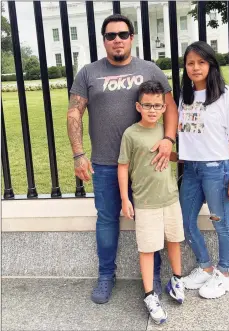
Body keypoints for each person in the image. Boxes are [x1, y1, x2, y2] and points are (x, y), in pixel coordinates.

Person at [66, 14, 178, 304]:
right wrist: (79, 154)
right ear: (104, 40)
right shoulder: (88, 73)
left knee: (151, 218)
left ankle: (153, 277)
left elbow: (171, 107)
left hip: (146, 163)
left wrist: (168, 139)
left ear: (132, 37)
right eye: (111, 35)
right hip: (105, 164)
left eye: (123, 34)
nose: (117, 39)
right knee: (106, 219)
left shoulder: (150, 69)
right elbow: (74, 113)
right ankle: (106, 275)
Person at [177, 41, 229, 299]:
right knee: (187, 221)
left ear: (211, 64)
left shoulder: (226, 95)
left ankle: (225, 273)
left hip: (217, 169)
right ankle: (205, 266)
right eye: (190, 63)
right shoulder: (185, 95)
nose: (195, 67)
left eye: (201, 62)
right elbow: (188, 134)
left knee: (220, 222)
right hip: (191, 170)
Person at [118, 80, 185, 324]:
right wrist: (126, 198)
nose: (153, 110)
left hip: (170, 199)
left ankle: (176, 280)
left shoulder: (165, 133)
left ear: (164, 107)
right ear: (138, 106)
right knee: (147, 249)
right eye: (148, 105)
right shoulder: (131, 134)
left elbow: (173, 156)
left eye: (158, 105)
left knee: (174, 240)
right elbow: (123, 167)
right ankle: (149, 295)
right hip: (145, 204)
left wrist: (178, 155)